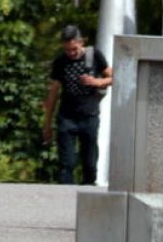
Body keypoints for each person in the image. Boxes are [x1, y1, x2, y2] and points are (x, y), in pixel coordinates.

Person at [42, 24, 112, 185]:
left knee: (89, 164)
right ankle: (65, 197)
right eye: (67, 50)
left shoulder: (95, 56)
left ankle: (88, 194)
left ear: (81, 42)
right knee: (66, 164)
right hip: (67, 118)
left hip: (89, 116)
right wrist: (47, 124)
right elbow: (53, 93)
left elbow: (114, 77)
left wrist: (97, 81)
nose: (71, 53)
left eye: (74, 49)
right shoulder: (60, 62)